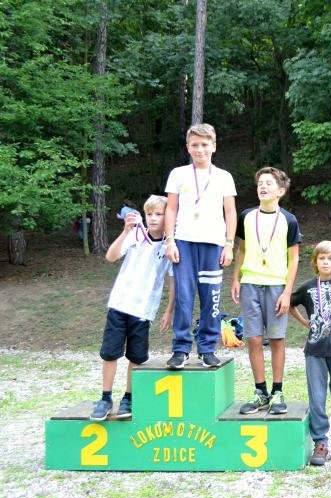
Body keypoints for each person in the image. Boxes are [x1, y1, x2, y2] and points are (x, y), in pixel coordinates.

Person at [90, 195, 175, 421]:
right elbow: (111, 256)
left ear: (168, 217)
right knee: (110, 352)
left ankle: (128, 397)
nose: (153, 218)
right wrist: (125, 231)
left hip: (144, 309)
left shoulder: (169, 245)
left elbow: (172, 280)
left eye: (159, 214)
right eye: (149, 214)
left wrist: (169, 310)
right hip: (120, 303)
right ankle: (105, 397)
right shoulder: (136, 234)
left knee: (136, 356)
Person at [164, 123, 237, 369]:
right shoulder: (178, 174)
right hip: (183, 242)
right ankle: (181, 349)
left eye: (205, 144)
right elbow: (171, 209)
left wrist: (229, 245)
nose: (200, 149)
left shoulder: (223, 176)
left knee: (211, 298)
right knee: (184, 297)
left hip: (213, 244)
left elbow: (230, 212)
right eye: (195, 145)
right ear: (188, 147)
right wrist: (170, 241)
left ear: (214, 146)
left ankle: (207, 349)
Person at [232, 166, 301, 416]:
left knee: (276, 338)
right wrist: (236, 278)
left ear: (280, 191)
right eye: (260, 183)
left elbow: (294, 259)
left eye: (269, 183)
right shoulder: (247, 216)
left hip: (276, 285)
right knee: (253, 338)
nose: (263, 186)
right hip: (250, 283)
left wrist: (287, 292)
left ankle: (277, 392)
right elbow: (241, 249)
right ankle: (260, 392)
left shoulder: (289, 220)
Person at [290, 241, 331, 465]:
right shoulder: (308, 286)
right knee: (317, 398)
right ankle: (320, 442)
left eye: (330, 258)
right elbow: (288, 303)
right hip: (315, 351)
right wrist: (304, 322)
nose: (326, 262)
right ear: (315, 262)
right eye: (322, 258)